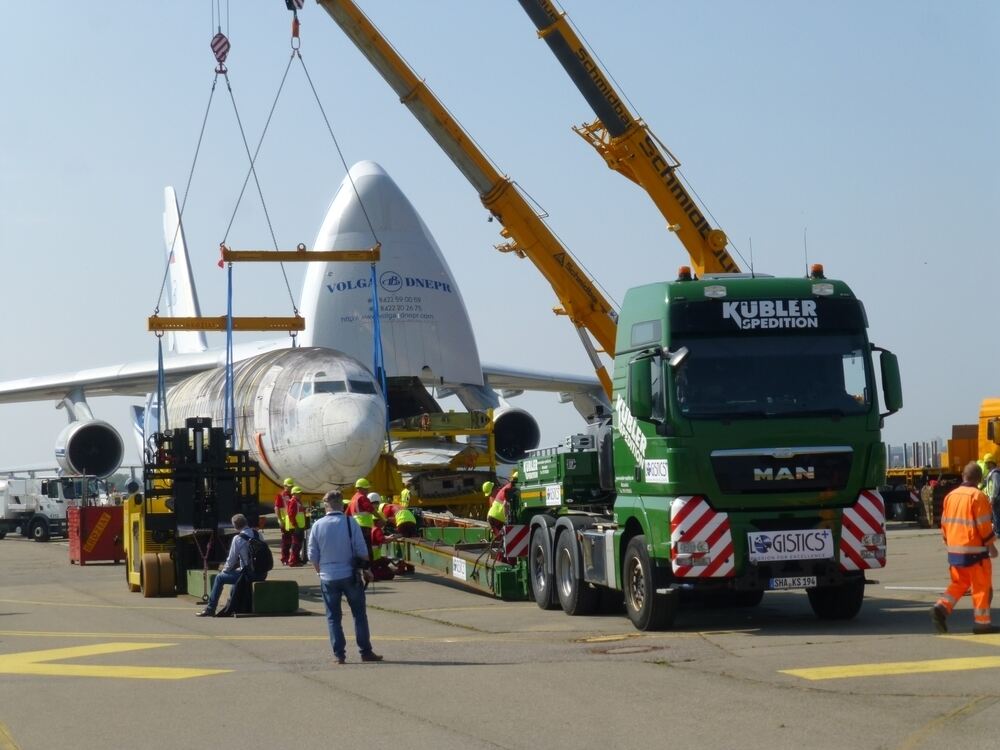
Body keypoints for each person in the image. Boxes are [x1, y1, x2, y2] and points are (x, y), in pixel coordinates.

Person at [308, 490, 383, 664]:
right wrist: (367, 570)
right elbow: (361, 549)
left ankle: (339, 655)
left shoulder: (317, 525)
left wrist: (320, 572)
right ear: (342, 505)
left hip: (328, 577)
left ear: (325, 506)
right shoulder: (350, 523)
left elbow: (312, 555)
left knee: (333, 617)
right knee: (359, 615)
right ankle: (366, 651)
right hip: (350, 574)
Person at [931, 461, 999, 635]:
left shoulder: (950, 496)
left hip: (955, 551)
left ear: (963, 476)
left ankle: (942, 607)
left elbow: (944, 523)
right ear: (980, 479)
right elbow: (983, 525)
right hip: (975, 552)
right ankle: (982, 624)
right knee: (981, 587)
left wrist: (948, 543)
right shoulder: (977, 496)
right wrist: (991, 546)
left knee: (959, 583)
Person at [196, 514, 266, 617]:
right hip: (262, 573)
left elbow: (231, 561)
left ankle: (210, 608)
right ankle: (234, 604)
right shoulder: (258, 535)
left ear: (235, 527)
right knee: (238, 574)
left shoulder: (238, 538)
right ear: (246, 522)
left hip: (249, 575)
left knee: (219, 578)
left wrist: (224, 570)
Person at [347, 478, 378, 559]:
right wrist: (382, 519)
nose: (367, 490)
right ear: (360, 488)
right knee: (367, 547)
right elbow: (371, 509)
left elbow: (347, 514)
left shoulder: (353, 499)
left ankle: (362, 567)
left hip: (356, 526)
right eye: (366, 489)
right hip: (364, 527)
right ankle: (368, 567)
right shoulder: (362, 498)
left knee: (359, 547)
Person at [285, 486, 307, 566]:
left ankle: (296, 560)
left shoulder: (297, 501)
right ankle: (293, 561)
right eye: (298, 493)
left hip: (299, 526)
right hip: (296, 527)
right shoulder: (293, 502)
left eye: (300, 493)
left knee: (298, 544)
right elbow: (291, 514)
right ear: (293, 494)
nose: (300, 494)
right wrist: (295, 524)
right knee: (296, 544)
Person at [276, 478, 294, 566]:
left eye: (291, 486)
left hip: (292, 521)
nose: (290, 488)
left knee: (293, 541)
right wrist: (279, 519)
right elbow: (277, 508)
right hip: (285, 521)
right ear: (285, 486)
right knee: (286, 541)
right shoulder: (281, 495)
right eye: (289, 486)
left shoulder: (293, 495)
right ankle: (285, 559)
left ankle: (292, 558)